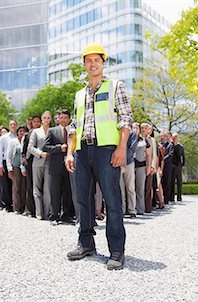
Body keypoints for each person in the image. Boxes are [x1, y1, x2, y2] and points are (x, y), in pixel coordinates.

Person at [65, 43, 132, 270]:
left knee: (112, 200)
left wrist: (121, 148)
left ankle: (116, 250)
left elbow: (125, 120)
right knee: (83, 200)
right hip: (83, 151)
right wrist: (69, 153)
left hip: (106, 151)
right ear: (84, 64)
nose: (93, 64)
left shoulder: (116, 86)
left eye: (97, 60)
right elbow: (74, 126)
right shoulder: (79, 94)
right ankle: (86, 243)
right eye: (88, 60)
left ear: (103, 63)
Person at [43, 109, 74, 224]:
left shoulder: (73, 131)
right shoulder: (52, 131)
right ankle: (54, 215)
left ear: (69, 119)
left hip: (69, 165)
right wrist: (58, 148)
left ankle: (66, 215)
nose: (63, 120)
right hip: (55, 166)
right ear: (58, 119)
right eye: (61, 117)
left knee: (68, 191)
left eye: (66, 118)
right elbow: (45, 147)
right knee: (55, 191)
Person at [29, 111, 52, 220]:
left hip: (50, 162)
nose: (46, 119)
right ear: (42, 119)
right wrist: (40, 153)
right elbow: (30, 147)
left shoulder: (53, 131)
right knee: (36, 188)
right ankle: (39, 213)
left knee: (47, 188)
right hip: (38, 162)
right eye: (44, 117)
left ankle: (47, 213)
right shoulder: (35, 132)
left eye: (48, 117)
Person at [22, 116, 41, 217]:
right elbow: (24, 150)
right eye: (35, 122)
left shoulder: (44, 132)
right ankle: (30, 209)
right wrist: (24, 162)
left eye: (38, 121)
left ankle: (40, 209)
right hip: (30, 161)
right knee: (30, 185)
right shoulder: (28, 134)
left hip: (41, 160)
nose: (37, 123)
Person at [0, 120, 18, 212]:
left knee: (16, 184)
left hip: (16, 162)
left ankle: (16, 203)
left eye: (14, 124)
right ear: (9, 126)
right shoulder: (4, 138)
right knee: (6, 184)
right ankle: (8, 205)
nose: (13, 126)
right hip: (6, 161)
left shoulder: (19, 136)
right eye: (11, 124)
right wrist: (0, 165)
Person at [7, 126, 28, 214]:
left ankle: (23, 207)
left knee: (24, 187)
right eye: (20, 131)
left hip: (24, 166)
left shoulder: (27, 141)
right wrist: (9, 168)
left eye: (23, 131)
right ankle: (16, 207)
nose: (22, 133)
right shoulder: (13, 141)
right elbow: (9, 155)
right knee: (16, 187)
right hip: (15, 166)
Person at [133, 123, 152, 215]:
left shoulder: (145, 141)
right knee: (131, 188)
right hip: (131, 165)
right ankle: (132, 208)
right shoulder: (130, 139)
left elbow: (148, 155)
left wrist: (149, 167)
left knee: (140, 188)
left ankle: (140, 209)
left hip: (142, 166)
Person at [119, 124, 137, 218]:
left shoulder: (133, 133)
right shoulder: (118, 130)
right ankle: (122, 210)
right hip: (118, 162)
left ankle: (132, 210)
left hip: (128, 162)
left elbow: (132, 148)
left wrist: (123, 160)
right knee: (120, 188)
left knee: (130, 187)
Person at [140, 123, 156, 213]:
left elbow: (154, 154)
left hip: (149, 165)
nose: (143, 129)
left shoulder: (151, 140)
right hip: (140, 165)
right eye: (142, 128)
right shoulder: (139, 138)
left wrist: (152, 166)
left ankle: (148, 207)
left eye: (146, 128)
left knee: (148, 187)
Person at [171, 133, 186, 202]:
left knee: (179, 183)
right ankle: (172, 197)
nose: (174, 139)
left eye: (176, 137)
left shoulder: (181, 146)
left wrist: (182, 164)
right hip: (172, 166)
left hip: (178, 166)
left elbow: (183, 156)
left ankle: (179, 197)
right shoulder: (171, 145)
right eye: (173, 137)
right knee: (172, 182)